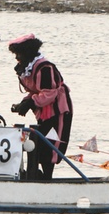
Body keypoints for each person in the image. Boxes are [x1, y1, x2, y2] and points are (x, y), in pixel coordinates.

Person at [9, 34, 73, 180]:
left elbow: (50, 93)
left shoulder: (45, 68)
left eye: (19, 54)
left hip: (59, 111)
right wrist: (23, 103)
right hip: (43, 111)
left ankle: (47, 177)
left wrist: (30, 103)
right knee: (39, 141)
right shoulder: (28, 68)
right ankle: (39, 176)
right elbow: (34, 91)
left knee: (52, 143)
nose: (17, 58)